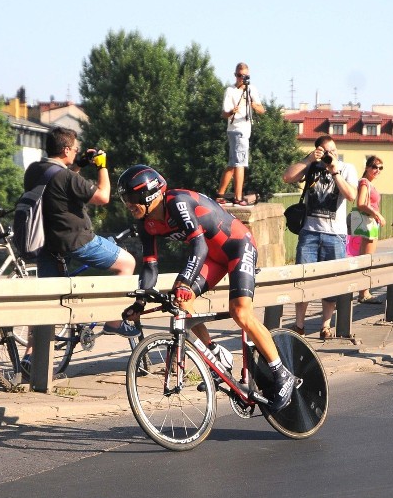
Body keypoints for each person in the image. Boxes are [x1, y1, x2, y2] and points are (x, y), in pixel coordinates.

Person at [117, 165, 298, 411]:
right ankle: (214, 353)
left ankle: (281, 372)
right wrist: (140, 302)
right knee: (182, 302)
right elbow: (149, 266)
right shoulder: (146, 223)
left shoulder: (177, 203)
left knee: (240, 312)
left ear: (150, 194)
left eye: (131, 198)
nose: (128, 204)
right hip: (212, 258)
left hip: (237, 246)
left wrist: (184, 280)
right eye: (124, 199)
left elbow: (199, 247)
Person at [20, 127, 138, 373]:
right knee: (127, 264)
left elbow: (58, 184)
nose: (75, 152)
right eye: (74, 149)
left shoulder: (34, 170)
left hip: (46, 245)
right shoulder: (67, 177)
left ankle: (30, 356)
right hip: (77, 240)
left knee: (47, 305)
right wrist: (101, 166)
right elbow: (103, 196)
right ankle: (114, 321)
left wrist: (79, 164)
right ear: (65, 150)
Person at [282, 134, 357, 339]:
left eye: (334, 150)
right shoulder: (312, 166)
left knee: (331, 283)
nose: (331, 154)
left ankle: (325, 325)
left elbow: (351, 196)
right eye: (326, 151)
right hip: (310, 232)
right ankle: (299, 326)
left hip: (336, 235)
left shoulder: (346, 168)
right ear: (318, 151)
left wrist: (335, 172)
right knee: (303, 280)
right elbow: (287, 177)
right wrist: (308, 160)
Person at [215, 62, 265, 207]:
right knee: (240, 163)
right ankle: (238, 197)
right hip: (236, 129)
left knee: (233, 162)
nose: (241, 79)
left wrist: (253, 105)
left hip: (245, 128)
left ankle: (220, 194)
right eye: (239, 75)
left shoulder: (252, 90)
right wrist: (232, 111)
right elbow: (224, 113)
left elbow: (261, 110)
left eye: (244, 76)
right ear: (235, 75)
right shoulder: (230, 90)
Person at [351, 155, 386, 304]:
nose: (377, 170)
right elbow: (361, 203)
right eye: (374, 167)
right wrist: (377, 214)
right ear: (367, 167)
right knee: (367, 258)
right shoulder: (365, 182)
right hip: (369, 222)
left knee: (365, 257)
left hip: (370, 222)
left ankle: (364, 291)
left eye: (380, 168)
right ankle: (364, 292)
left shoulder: (369, 183)